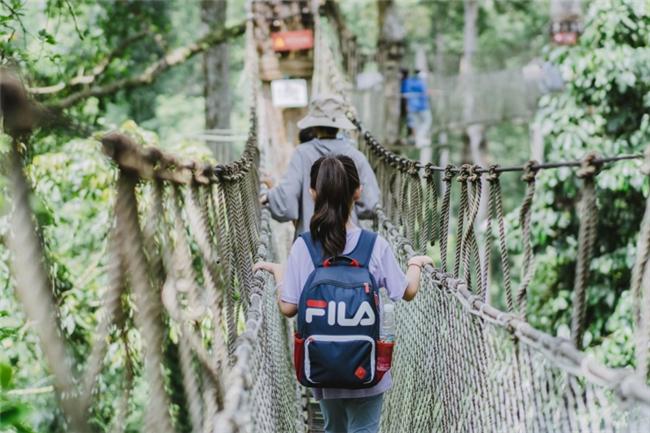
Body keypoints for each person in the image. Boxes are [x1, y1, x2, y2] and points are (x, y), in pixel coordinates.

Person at [255, 155, 433, 433]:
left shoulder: (304, 246)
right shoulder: (375, 245)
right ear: (357, 192)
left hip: (323, 367)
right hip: (367, 366)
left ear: (312, 193)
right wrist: (415, 264)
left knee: (333, 428)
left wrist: (280, 273)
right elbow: (407, 291)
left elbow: (288, 307)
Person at [260, 94, 380, 235]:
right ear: (339, 126)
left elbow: (287, 204)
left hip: (311, 240)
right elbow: (370, 204)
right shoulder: (355, 155)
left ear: (314, 126)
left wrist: (269, 196)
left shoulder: (302, 154)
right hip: (348, 240)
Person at [403, 70, 433, 163]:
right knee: (427, 121)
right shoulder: (421, 81)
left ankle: (418, 139)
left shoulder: (408, 82)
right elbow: (424, 92)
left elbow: (405, 93)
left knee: (415, 124)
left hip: (412, 106)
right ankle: (420, 138)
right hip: (422, 106)